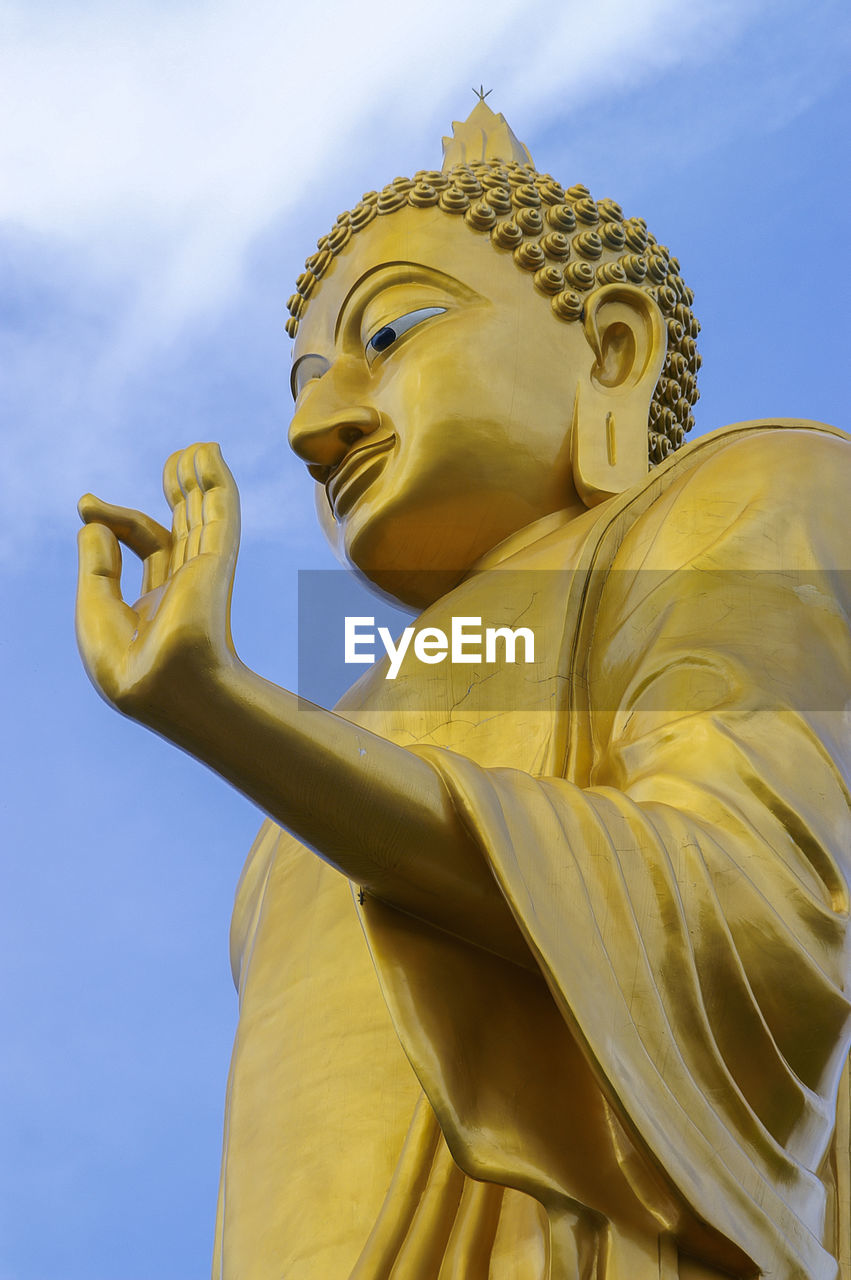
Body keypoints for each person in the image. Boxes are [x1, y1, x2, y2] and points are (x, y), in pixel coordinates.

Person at [76, 101, 851, 1279]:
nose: (313, 426)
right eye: (305, 376)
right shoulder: (329, 747)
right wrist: (245, 720)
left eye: (389, 335)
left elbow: (751, 919)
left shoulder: (745, 496)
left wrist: (226, 711)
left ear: (610, 350)